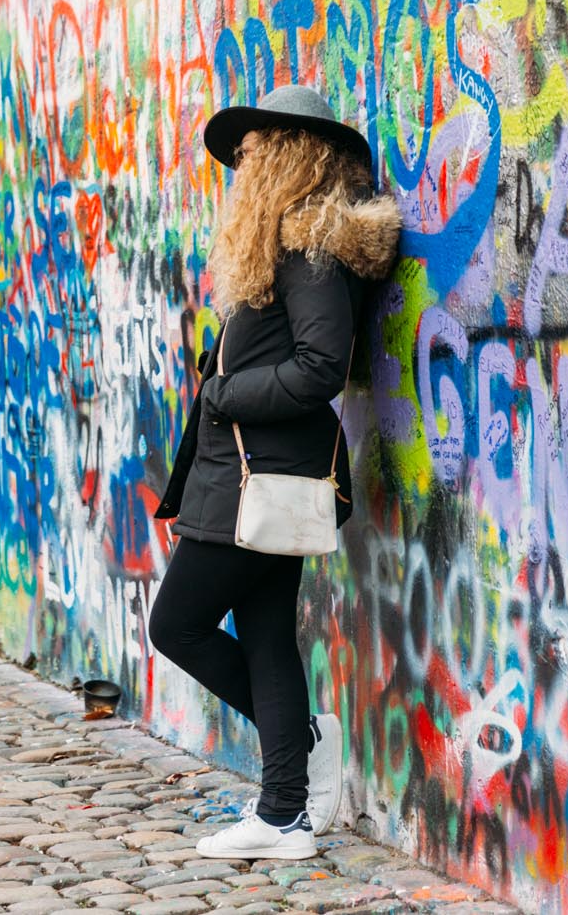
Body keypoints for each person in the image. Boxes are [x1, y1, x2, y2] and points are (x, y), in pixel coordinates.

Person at [148, 85, 400, 860]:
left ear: (288, 153)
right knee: (264, 638)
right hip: (250, 471)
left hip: (262, 471)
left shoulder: (312, 246)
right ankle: (285, 807)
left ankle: (297, 761)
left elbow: (321, 366)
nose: (241, 162)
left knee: (177, 623)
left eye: (252, 148)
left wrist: (223, 391)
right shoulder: (290, 241)